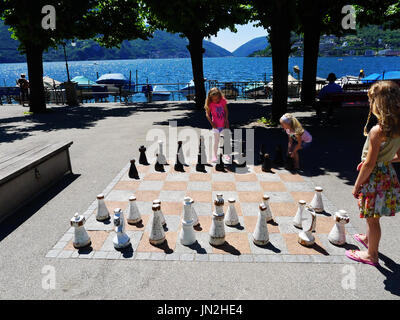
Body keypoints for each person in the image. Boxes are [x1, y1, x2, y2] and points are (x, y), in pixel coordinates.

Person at [347, 81, 400, 266]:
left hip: (374, 178)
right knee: (373, 216)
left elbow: (369, 165)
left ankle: (372, 255)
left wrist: (357, 184)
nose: (370, 104)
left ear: (379, 103)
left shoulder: (378, 130)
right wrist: (384, 161)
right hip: (387, 174)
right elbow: (398, 157)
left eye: (371, 101)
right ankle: (369, 240)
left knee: (372, 220)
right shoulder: (397, 127)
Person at [205, 87, 230, 163]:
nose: (216, 100)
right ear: (211, 98)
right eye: (214, 99)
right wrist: (212, 124)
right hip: (216, 125)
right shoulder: (210, 104)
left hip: (225, 124)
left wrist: (226, 120)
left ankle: (226, 154)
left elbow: (226, 111)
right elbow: (207, 115)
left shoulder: (223, 101)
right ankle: (214, 155)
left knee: (226, 140)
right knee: (216, 141)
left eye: (217, 99)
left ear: (219, 96)